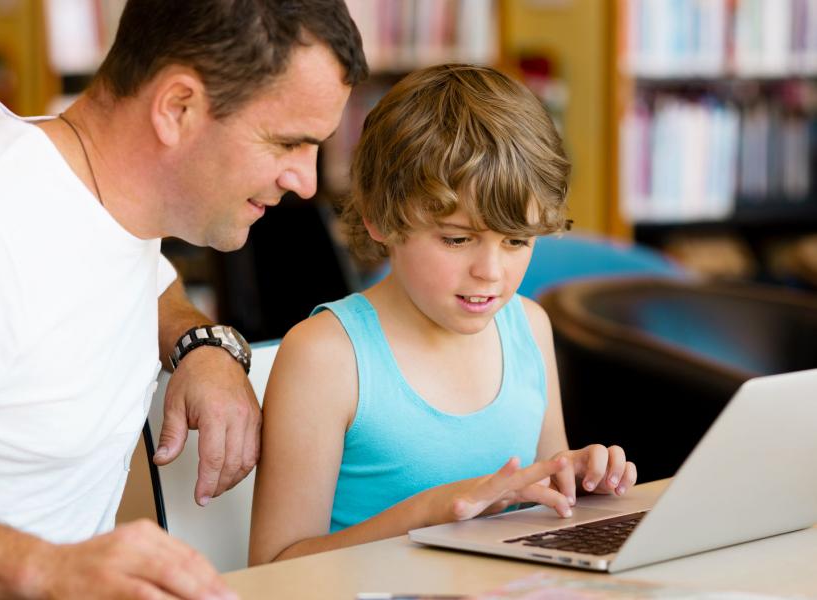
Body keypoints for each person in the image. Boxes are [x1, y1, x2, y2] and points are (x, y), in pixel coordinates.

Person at [0, 0, 367, 597]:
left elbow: (146, 278)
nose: (305, 180)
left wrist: (200, 344)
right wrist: (45, 570)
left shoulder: (103, 198)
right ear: (177, 107)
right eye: (287, 142)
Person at [248, 64, 637, 565]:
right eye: (457, 239)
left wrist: (582, 483)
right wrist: (429, 514)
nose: (491, 272)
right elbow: (272, 571)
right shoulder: (326, 356)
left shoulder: (528, 326)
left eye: (517, 241)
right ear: (380, 217)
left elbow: (547, 494)